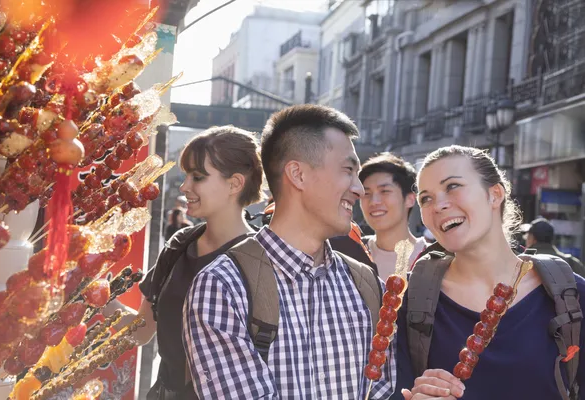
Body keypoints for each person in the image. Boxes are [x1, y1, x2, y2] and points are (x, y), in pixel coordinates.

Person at [183, 104, 396, 399]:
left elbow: (383, 390)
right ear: (297, 174)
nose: (359, 189)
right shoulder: (223, 286)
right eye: (348, 170)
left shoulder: (367, 285)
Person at [393, 145, 585, 400]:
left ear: (495, 194)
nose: (437, 205)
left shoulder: (571, 297)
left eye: (452, 186)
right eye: (425, 198)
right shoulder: (408, 302)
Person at [105, 125, 264, 399]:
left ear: (235, 183)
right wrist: (101, 297)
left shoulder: (263, 260)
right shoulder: (179, 245)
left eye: (198, 177)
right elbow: (142, 331)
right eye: (186, 175)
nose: (184, 186)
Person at [359, 153, 427, 277]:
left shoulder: (433, 259)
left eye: (384, 191)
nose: (374, 201)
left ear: (410, 199)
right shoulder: (352, 253)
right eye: (366, 193)